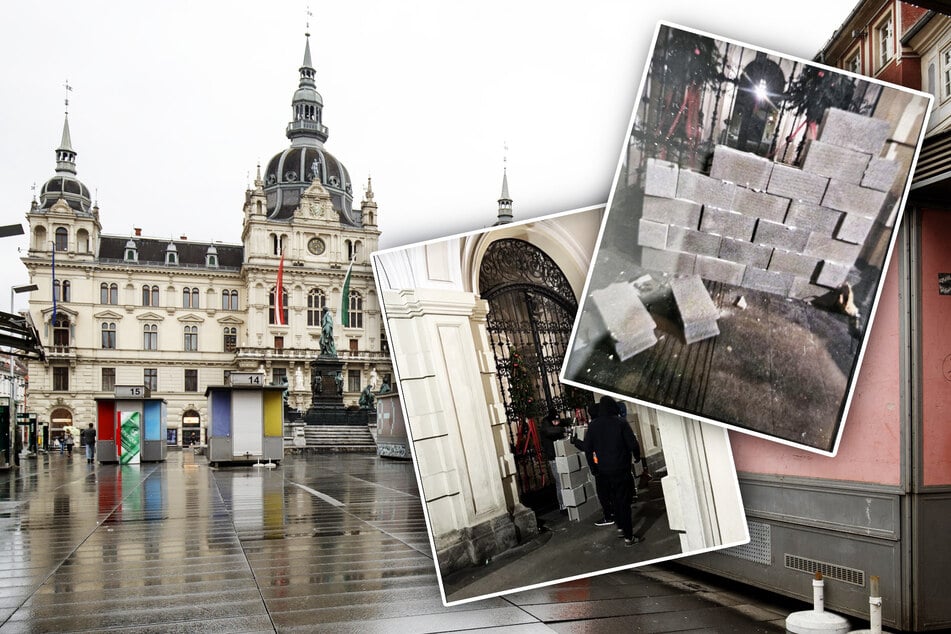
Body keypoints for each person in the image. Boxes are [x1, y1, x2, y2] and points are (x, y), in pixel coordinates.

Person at [583, 395, 642, 546]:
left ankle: (620, 527)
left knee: (614, 499)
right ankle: (629, 536)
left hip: (603, 470)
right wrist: (637, 456)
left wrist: (594, 468)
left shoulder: (593, 426)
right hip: (621, 468)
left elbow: (588, 449)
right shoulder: (620, 423)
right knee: (624, 501)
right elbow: (632, 443)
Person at [540, 409, 567, 508]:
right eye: (554, 421)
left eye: (558, 421)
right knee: (560, 481)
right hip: (553, 458)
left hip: (561, 456)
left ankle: (566, 502)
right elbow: (549, 431)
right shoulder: (545, 426)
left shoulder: (555, 426)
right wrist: (563, 429)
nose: (556, 423)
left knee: (564, 480)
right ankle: (562, 505)